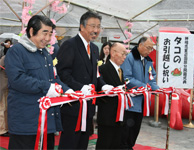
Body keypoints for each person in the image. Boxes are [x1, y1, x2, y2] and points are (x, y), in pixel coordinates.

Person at [5, 15, 73, 150]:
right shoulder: (16, 51)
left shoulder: (46, 54)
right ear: (31, 31)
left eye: (50, 34)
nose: (48, 39)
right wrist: (47, 87)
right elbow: (17, 79)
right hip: (26, 122)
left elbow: (53, 78)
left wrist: (67, 91)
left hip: (47, 122)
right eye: (44, 33)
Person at [56, 11, 113, 150]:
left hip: (88, 107)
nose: (96, 30)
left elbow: (95, 75)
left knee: (82, 144)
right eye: (92, 26)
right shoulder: (70, 45)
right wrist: (79, 87)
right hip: (73, 106)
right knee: (69, 144)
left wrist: (104, 86)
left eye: (98, 26)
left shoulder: (94, 48)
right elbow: (62, 73)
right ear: (82, 26)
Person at [120, 37, 159, 149]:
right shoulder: (130, 58)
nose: (150, 51)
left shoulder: (148, 61)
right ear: (140, 45)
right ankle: (124, 147)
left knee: (136, 128)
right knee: (127, 128)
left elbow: (152, 77)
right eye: (148, 48)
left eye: (151, 49)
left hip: (142, 101)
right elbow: (126, 78)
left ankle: (130, 146)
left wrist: (156, 88)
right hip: (131, 102)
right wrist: (144, 86)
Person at [96, 42, 128, 149]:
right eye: (123, 54)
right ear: (113, 53)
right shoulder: (103, 69)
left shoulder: (120, 70)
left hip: (119, 116)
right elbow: (99, 89)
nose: (124, 57)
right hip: (107, 116)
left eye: (125, 54)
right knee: (104, 144)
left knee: (116, 144)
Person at [0, 39, 12, 137]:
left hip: (9, 87)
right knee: (2, 108)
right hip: (3, 87)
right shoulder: (4, 58)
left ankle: (6, 128)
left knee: (7, 108)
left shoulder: (12, 58)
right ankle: (2, 129)